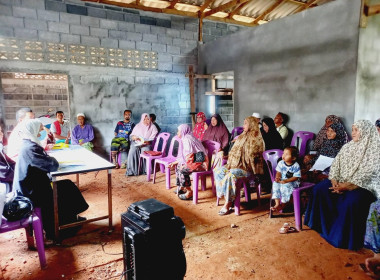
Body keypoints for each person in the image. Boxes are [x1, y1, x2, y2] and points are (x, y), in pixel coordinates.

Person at [304, 120, 380, 250]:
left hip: (363, 186)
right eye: (353, 129)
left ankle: (340, 238)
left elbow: (369, 174)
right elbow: (336, 165)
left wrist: (348, 186)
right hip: (340, 181)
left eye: (356, 130)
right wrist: (334, 179)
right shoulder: (348, 146)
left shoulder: (375, 149)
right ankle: (320, 225)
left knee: (351, 202)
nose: (353, 133)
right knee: (320, 189)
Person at [13, 119, 89, 240]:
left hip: (32, 186)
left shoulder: (27, 144)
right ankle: (58, 229)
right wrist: (52, 159)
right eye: (38, 129)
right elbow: (52, 165)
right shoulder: (30, 148)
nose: (40, 131)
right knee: (64, 189)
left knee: (67, 185)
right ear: (32, 130)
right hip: (32, 192)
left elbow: (43, 161)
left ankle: (71, 219)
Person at [213, 116, 264, 215]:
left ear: (252, 124)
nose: (243, 125)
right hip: (235, 165)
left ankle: (228, 203)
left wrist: (241, 159)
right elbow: (234, 151)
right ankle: (227, 196)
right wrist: (228, 156)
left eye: (245, 123)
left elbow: (255, 157)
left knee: (230, 175)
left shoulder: (257, 139)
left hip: (248, 169)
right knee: (218, 171)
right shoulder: (241, 136)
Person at [168, 124, 208, 200]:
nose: (177, 133)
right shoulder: (187, 137)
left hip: (202, 163)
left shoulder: (187, 140)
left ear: (184, 131)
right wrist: (176, 163)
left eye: (179, 131)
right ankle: (183, 187)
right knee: (179, 166)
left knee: (182, 169)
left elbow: (190, 156)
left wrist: (184, 165)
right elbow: (185, 157)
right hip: (197, 159)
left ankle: (189, 192)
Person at [271, 146, 301, 212]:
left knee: (286, 186)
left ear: (293, 158)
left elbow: (296, 177)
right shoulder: (281, 163)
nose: (283, 156)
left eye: (286, 154)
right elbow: (278, 172)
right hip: (283, 180)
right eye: (283, 153)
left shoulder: (296, 165)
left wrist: (286, 180)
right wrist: (278, 177)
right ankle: (277, 204)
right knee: (275, 184)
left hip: (292, 182)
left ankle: (283, 204)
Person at [0, 124, 15, 225]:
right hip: (6, 186)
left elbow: (11, 162)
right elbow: (4, 174)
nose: (1, 134)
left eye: (1, 131)